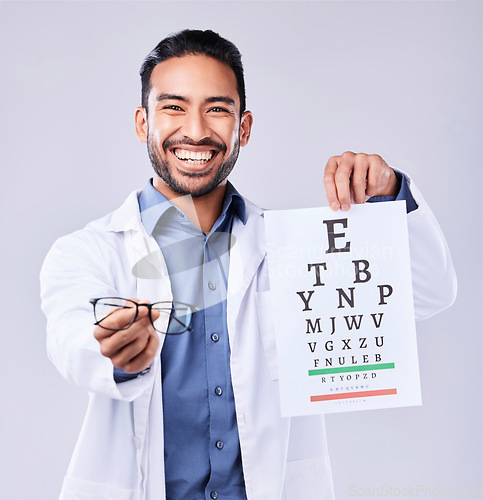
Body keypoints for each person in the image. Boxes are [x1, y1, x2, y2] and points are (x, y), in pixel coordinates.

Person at [40, 29, 456, 500]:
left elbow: (429, 291)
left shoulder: (293, 250)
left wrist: (391, 194)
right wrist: (112, 349)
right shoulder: (89, 251)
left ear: (245, 127)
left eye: (217, 109)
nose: (195, 130)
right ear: (143, 123)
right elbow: (70, 334)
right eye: (173, 107)